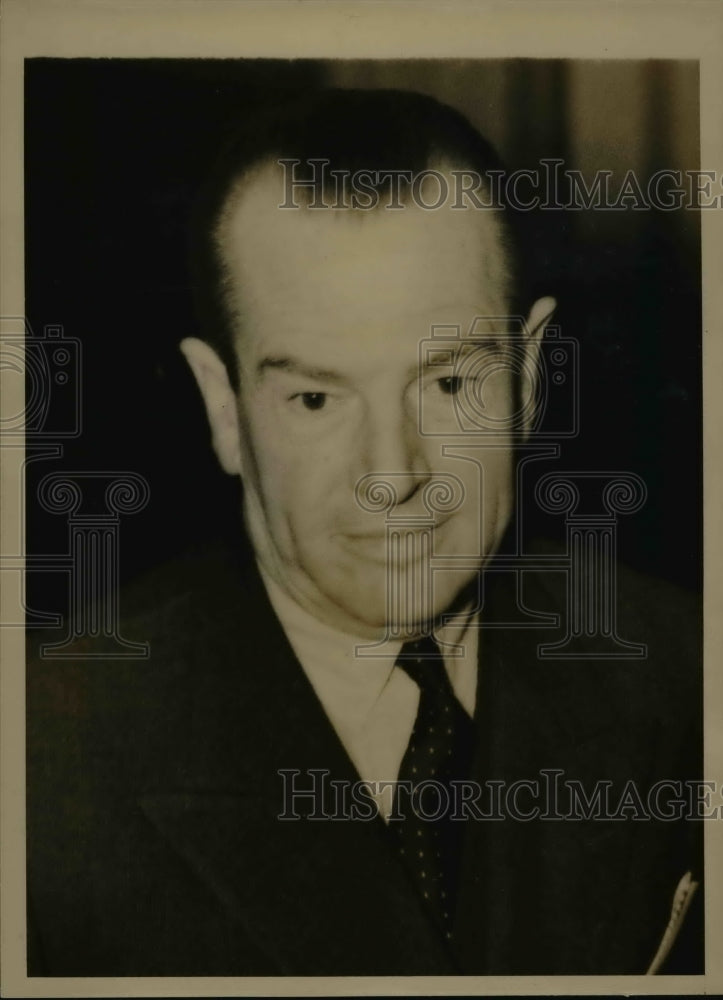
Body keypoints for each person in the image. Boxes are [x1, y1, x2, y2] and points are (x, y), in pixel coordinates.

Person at [26, 88, 702, 976]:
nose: (394, 473)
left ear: (530, 373)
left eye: (450, 385)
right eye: (314, 397)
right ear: (222, 408)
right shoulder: (41, 765)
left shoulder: (688, 671)